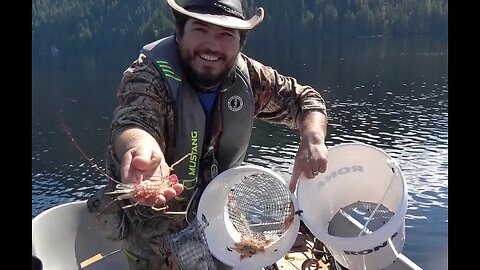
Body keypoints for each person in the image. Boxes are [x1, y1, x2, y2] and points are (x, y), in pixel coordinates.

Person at [87, 0, 328, 269]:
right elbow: (132, 122)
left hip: (219, 215)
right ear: (179, 33)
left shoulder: (249, 76)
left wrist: (313, 138)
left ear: (239, 44)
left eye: (226, 34)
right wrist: (140, 151)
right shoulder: (147, 76)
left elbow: (306, 100)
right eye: (200, 30)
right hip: (156, 233)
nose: (212, 46)